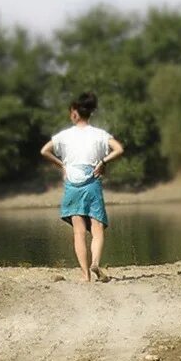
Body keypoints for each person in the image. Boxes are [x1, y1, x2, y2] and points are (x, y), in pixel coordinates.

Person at [40, 92, 124, 282]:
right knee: (97, 228)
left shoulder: (64, 135)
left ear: (76, 113)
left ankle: (85, 275)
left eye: (71, 112)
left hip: (72, 183)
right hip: (92, 182)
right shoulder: (100, 134)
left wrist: (61, 164)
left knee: (78, 232)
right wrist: (103, 161)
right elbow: (119, 149)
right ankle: (95, 262)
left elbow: (44, 151)